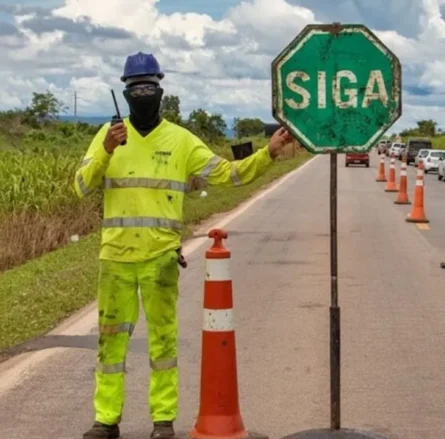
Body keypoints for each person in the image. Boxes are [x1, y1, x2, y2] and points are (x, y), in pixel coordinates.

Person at [74, 52, 293, 439]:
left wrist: (268, 154)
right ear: (125, 93)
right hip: (116, 260)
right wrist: (107, 149)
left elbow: (229, 173)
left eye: (149, 88)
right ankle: (105, 420)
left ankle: (163, 421)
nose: (143, 94)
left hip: (160, 260)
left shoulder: (180, 140)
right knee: (110, 346)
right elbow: (81, 185)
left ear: (160, 90)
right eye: (135, 88)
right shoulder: (108, 136)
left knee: (162, 344)